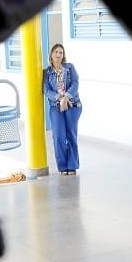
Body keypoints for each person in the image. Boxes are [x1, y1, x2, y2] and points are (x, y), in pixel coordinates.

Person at [42, 43, 81, 175]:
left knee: (71, 135)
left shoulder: (70, 68)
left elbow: (75, 84)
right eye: (56, 52)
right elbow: (46, 90)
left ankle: (72, 165)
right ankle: (63, 167)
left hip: (72, 105)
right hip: (55, 107)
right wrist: (60, 98)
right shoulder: (47, 72)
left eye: (61, 52)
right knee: (58, 136)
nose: (58, 55)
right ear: (51, 55)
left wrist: (66, 98)